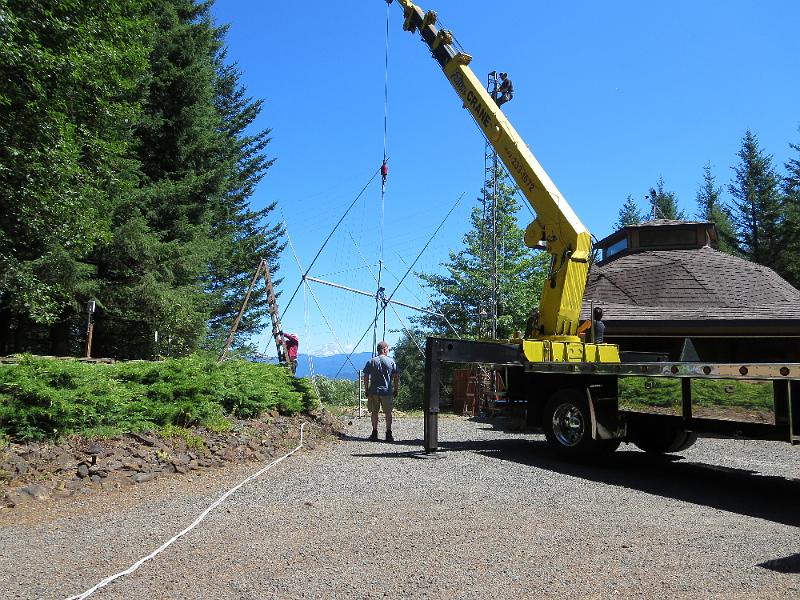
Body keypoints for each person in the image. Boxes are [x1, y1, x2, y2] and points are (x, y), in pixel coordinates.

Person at [363, 340, 399, 442]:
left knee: (374, 412)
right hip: (386, 391)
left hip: (374, 391)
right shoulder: (391, 361)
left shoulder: (371, 361)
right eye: (387, 349)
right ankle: (388, 433)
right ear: (384, 349)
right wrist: (396, 389)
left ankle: (374, 432)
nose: (388, 351)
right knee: (388, 413)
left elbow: (365, 376)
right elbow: (396, 377)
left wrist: (366, 389)